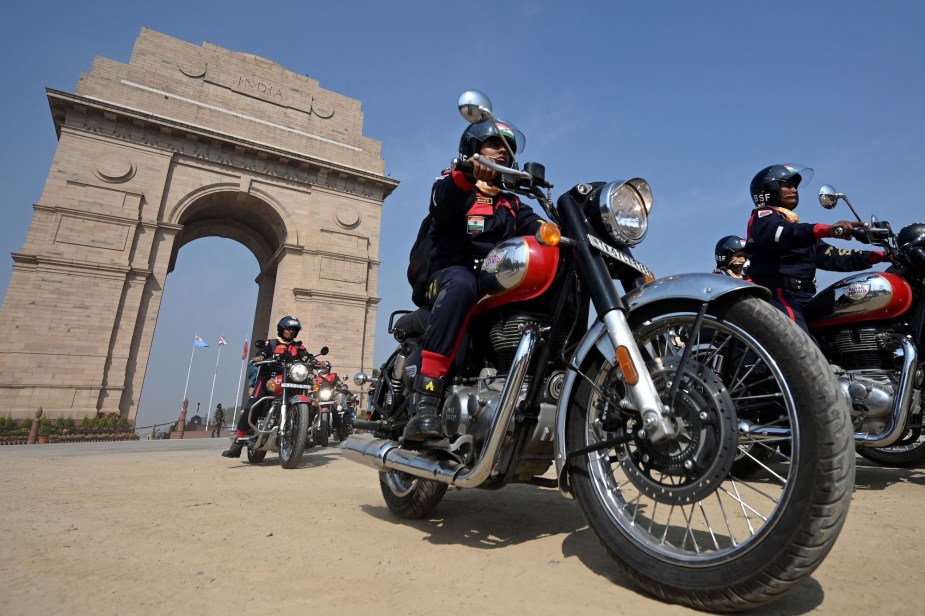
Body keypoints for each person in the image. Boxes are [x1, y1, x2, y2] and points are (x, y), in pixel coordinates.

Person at [403, 118, 544, 442]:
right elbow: (442, 200)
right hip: (448, 275)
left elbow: (536, 228)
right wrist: (465, 175)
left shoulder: (511, 203)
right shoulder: (455, 183)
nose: (502, 153)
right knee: (463, 283)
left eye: (507, 149)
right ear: (473, 149)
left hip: (490, 283)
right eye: (493, 145)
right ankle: (426, 401)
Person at [744, 164, 886, 334]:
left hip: (804, 297)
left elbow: (832, 256)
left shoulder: (796, 228)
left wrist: (879, 256)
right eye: (787, 185)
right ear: (770, 190)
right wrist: (825, 229)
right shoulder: (763, 216)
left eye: (795, 186)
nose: (794, 190)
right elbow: (780, 234)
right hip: (778, 295)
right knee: (800, 346)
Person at [222, 315, 312, 458]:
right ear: (281, 329)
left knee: (310, 403)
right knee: (252, 405)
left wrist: (318, 362)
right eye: (288, 329)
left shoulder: (298, 347)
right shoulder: (271, 344)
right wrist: (260, 357)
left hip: (290, 381)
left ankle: (302, 435)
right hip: (269, 380)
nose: (291, 332)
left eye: (294, 330)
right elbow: (262, 352)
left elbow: (307, 357)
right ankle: (238, 442)